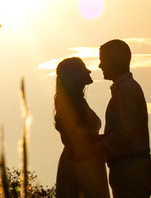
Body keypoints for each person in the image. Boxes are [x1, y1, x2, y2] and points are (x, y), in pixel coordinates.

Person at [97, 39, 151, 198]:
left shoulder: (125, 91)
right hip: (129, 167)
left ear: (114, 60)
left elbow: (124, 132)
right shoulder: (125, 89)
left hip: (130, 168)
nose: (100, 65)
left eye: (103, 60)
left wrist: (96, 148)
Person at [54, 57, 109, 198]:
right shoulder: (69, 104)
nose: (89, 71)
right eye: (83, 68)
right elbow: (73, 139)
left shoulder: (80, 102)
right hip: (79, 164)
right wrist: (108, 139)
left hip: (90, 161)